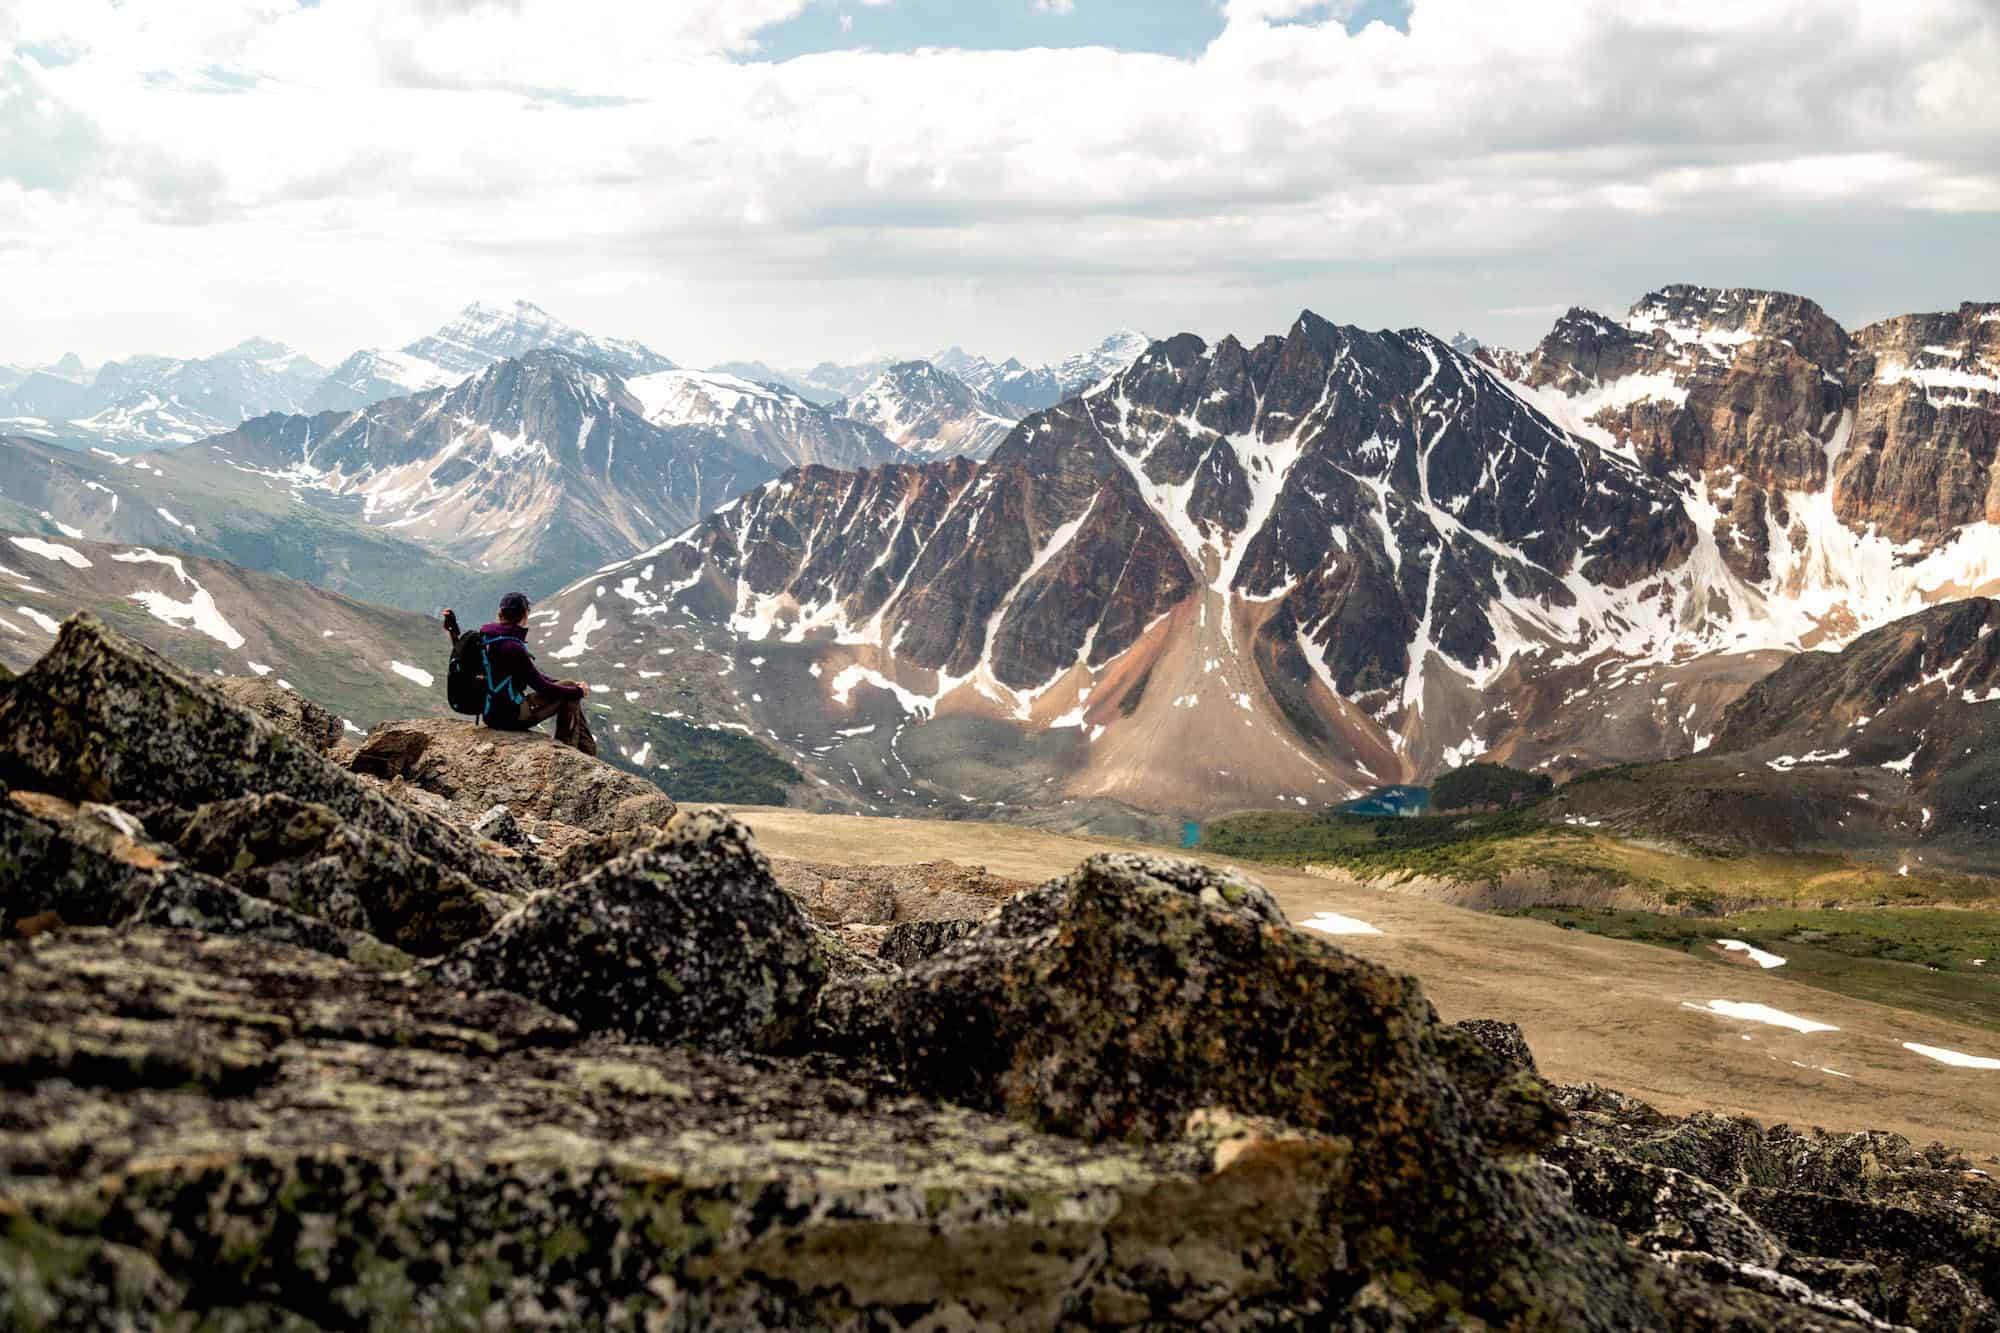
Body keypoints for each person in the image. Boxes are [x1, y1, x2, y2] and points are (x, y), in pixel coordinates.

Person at [442, 592, 597, 755]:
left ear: (500, 614)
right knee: (569, 692)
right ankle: (568, 751)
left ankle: (587, 750)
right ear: (525, 614)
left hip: (491, 714)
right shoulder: (512, 646)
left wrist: (568, 687)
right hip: (511, 715)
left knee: (569, 687)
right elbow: (541, 685)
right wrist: (577, 691)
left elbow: (535, 677)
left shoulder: (487, 637)